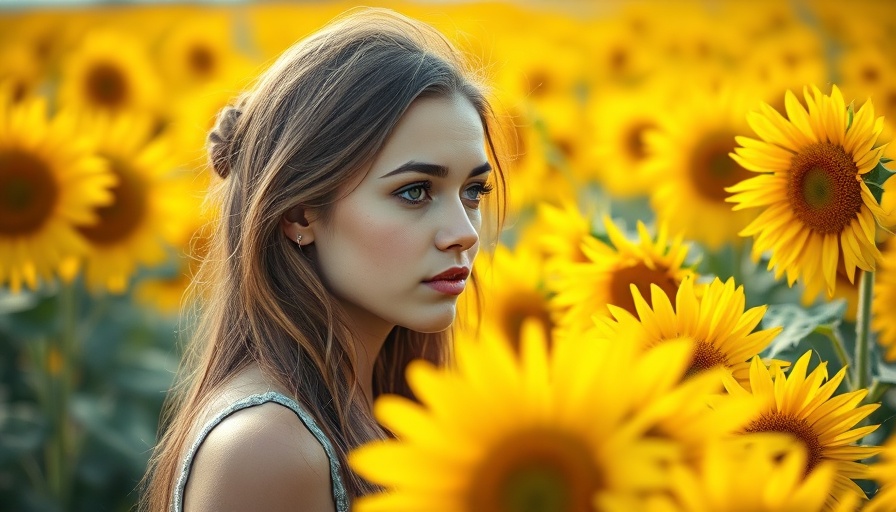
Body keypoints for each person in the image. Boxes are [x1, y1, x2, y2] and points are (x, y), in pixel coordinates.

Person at [139, 6, 506, 512]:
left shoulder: (379, 409)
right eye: (415, 192)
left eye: (473, 190)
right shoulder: (267, 449)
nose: (464, 234)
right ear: (300, 215)